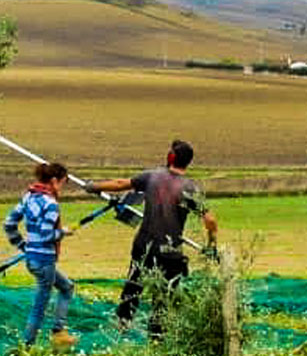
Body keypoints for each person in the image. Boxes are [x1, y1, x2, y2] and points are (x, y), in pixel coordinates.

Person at [88, 140, 219, 339]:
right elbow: (210, 220)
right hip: (171, 253)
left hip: (144, 247)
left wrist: (93, 186)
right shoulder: (191, 188)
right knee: (163, 298)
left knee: (132, 289)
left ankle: (121, 328)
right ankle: (157, 338)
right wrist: (212, 245)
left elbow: (120, 184)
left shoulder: (152, 176)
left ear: (171, 158)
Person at [2, 162, 78, 349]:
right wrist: (63, 232)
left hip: (32, 259)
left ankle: (59, 331)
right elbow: (46, 234)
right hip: (45, 261)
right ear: (54, 181)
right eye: (62, 183)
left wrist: (23, 246)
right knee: (39, 307)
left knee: (67, 287)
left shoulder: (29, 197)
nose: (62, 188)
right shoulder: (51, 204)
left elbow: (8, 224)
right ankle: (26, 347)